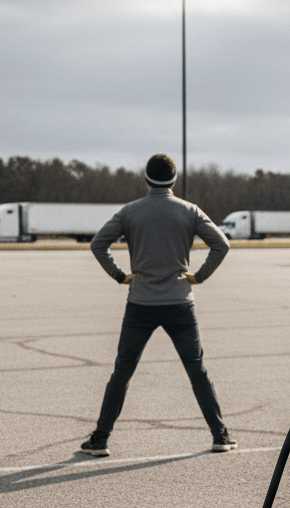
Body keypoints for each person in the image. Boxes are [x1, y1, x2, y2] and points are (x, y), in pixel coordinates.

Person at [82, 152, 235, 457]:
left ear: (146, 179)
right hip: (180, 302)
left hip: (140, 302)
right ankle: (220, 435)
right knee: (197, 370)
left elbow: (98, 243)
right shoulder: (189, 211)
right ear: (174, 180)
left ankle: (100, 439)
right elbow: (222, 244)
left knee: (122, 371)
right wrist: (199, 276)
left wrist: (119, 275)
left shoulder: (130, 212)